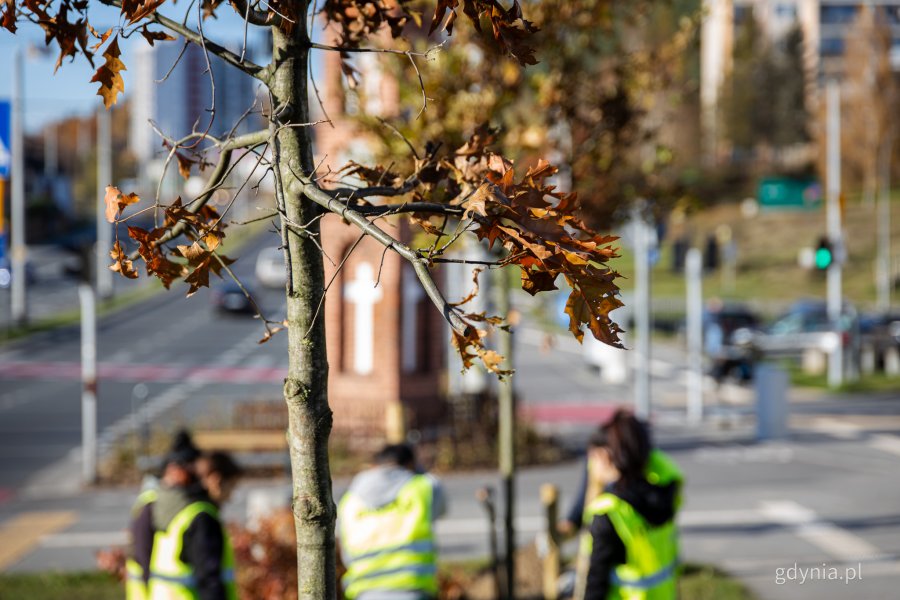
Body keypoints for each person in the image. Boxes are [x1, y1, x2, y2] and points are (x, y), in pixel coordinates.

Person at [577, 410, 683, 600]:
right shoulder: (665, 493)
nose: (590, 466)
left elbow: (596, 583)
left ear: (604, 455)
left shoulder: (609, 512)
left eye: (592, 458)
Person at [337, 443, 447, 600]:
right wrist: (418, 470)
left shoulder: (349, 501)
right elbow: (440, 504)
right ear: (411, 464)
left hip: (363, 592)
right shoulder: (424, 488)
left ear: (374, 466)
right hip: (413, 590)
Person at [147, 448, 243, 600]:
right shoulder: (203, 519)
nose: (231, 496)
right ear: (216, 481)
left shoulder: (183, 511)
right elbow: (209, 579)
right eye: (231, 487)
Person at [126, 430, 201, 600]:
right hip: (147, 593)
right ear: (173, 470)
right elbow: (143, 551)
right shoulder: (153, 501)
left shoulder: (170, 499)